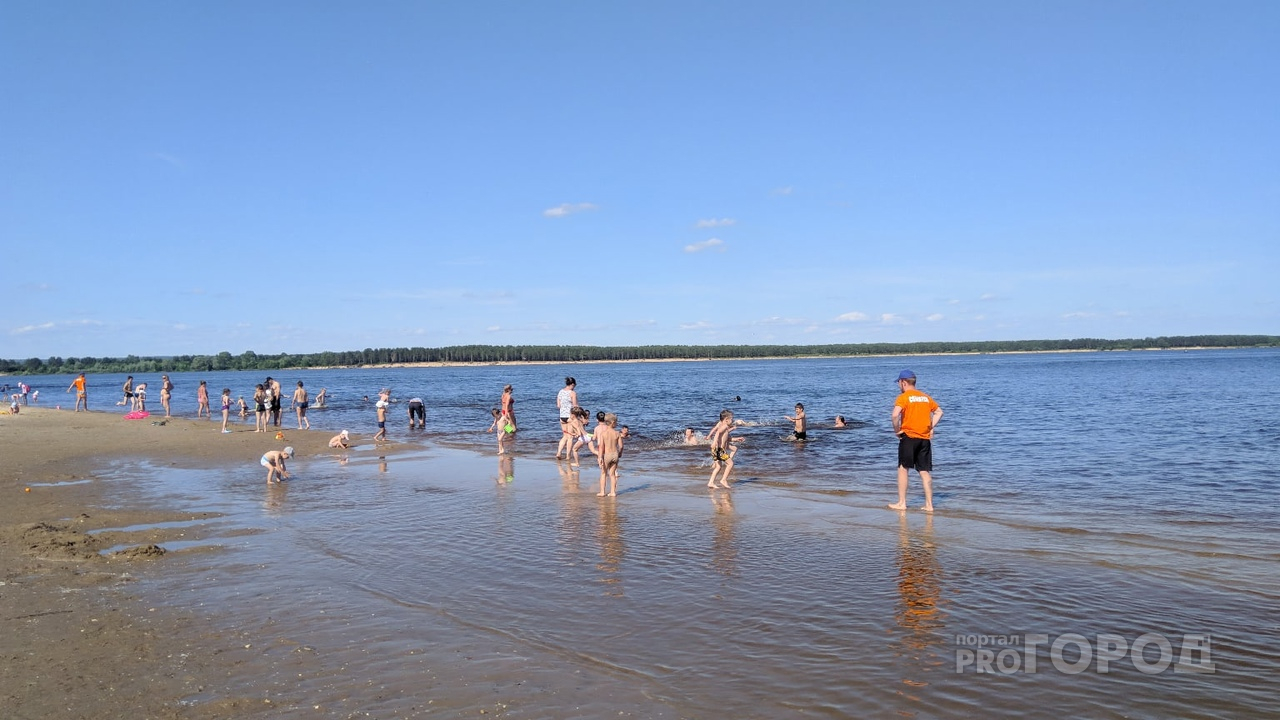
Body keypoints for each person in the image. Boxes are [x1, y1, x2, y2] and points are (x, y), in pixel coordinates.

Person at [890, 370, 944, 513]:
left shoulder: (904, 397)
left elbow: (895, 415)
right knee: (924, 471)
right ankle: (929, 505)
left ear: (903, 382)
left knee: (903, 468)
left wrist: (896, 430)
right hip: (924, 438)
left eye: (898, 383)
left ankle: (902, 503)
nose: (898, 386)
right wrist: (930, 426)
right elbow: (939, 412)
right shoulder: (925, 397)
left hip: (909, 436)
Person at [707, 409, 745, 489]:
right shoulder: (724, 426)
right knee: (730, 464)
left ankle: (711, 482)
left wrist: (737, 439)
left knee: (718, 467)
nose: (732, 420)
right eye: (731, 419)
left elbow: (727, 439)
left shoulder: (725, 428)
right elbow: (717, 432)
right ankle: (723, 480)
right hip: (719, 450)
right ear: (726, 420)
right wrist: (714, 442)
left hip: (716, 450)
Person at [595, 412, 622, 497]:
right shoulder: (617, 433)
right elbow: (621, 446)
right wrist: (620, 453)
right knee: (612, 474)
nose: (617, 424)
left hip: (607, 455)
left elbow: (601, 447)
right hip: (615, 454)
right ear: (613, 422)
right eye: (616, 422)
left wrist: (599, 457)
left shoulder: (603, 434)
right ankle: (613, 492)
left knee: (603, 473)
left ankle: (602, 492)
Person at [555, 377, 578, 459]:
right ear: (572, 384)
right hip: (570, 416)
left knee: (565, 436)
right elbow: (575, 406)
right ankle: (568, 456)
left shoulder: (560, 392)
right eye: (574, 385)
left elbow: (558, 405)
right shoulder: (572, 393)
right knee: (570, 437)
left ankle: (559, 453)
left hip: (562, 416)